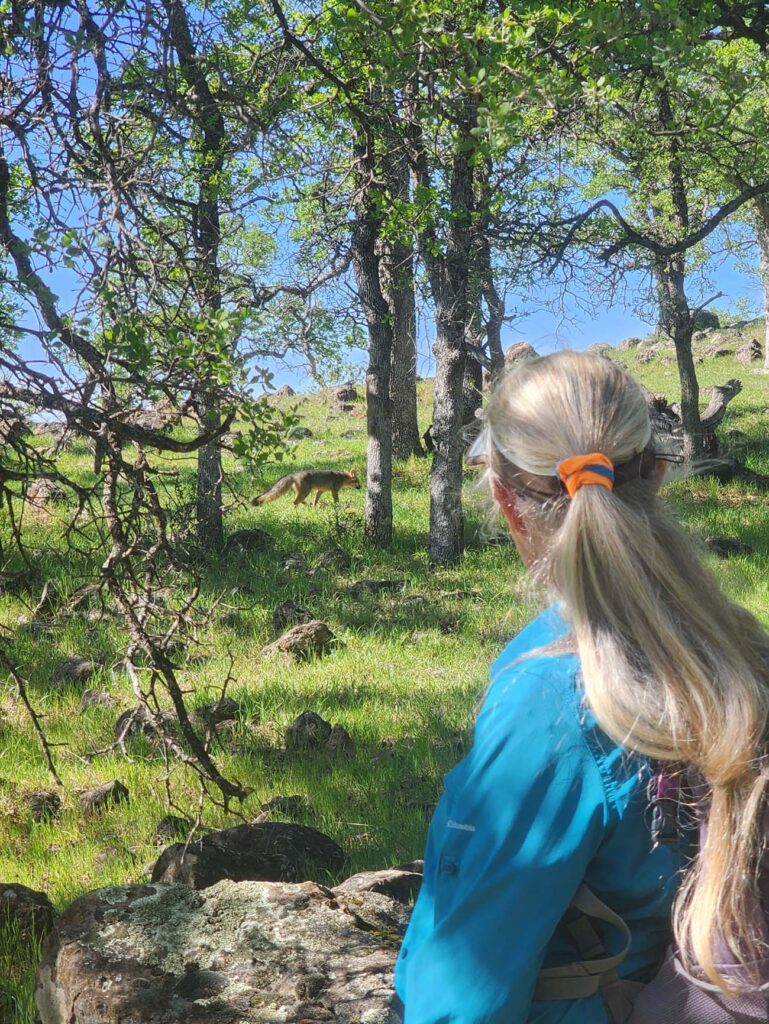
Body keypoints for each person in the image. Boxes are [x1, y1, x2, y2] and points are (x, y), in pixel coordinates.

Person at [394, 351, 769, 1023]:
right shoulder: (741, 644)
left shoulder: (550, 701)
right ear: (658, 473)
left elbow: (464, 992)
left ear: (505, 500)